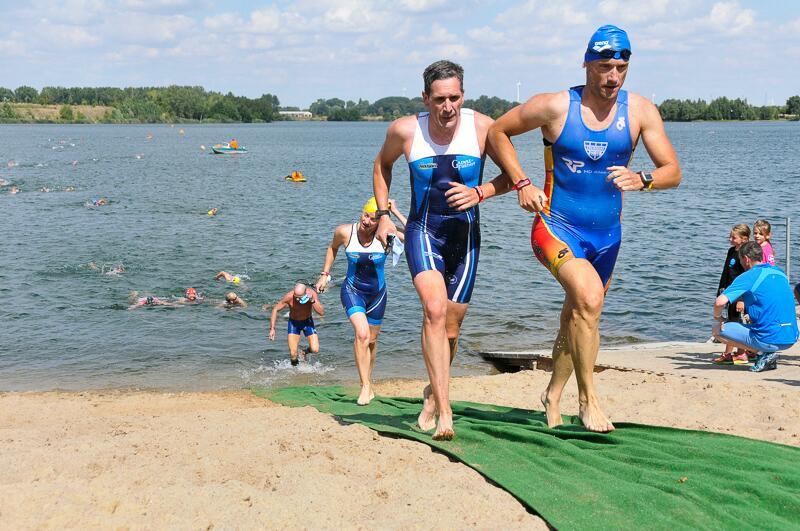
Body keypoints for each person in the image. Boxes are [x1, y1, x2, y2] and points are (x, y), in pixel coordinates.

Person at [488, 25, 682, 432]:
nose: (613, 77)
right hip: (556, 226)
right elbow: (497, 131)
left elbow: (672, 172)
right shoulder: (556, 106)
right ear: (587, 64)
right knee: (589, 299)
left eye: (621, 68)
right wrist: (521, 183)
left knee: (578, 315)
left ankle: (552, 395)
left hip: (607, 237)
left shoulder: (640, 111)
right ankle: (589, 400)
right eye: (605, 67)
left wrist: (643, 179)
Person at [373, 60, 513, 440]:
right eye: (439, 99)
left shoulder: (483, 128)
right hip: (423, 231)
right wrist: (384, 216)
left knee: (451, 330)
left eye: (454, 98)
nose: (447, 107)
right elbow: (381, 166)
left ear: (462, 96)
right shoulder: (405, 130)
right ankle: (445, 413)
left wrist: (481, 192)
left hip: (465, 239)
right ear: (426, 98)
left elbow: (513, 175)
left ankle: (433, 394)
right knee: (434, 310)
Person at [314, 197, 404, 405]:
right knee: (362, 334)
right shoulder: (345, 232)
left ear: (380, 221)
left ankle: (368, 383)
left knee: (371, 341)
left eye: (372, 219)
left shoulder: (386, 234)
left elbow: (414, 234)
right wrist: (324, 274)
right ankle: (364, 386)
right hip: (352, 291)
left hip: (378, 295)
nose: (366, 221)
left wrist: (395, 212)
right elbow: (332, 248)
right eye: (365, 215)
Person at [712, 242, 799, 372]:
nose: (740, 263)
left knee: (717, 329)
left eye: (740, 259)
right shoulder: (780, 272)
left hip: (768, 338)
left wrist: (718, 318)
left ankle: (763, 353)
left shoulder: (749, 276)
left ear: (746, 259)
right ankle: (766, 353)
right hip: (790, 337)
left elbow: (719, 302)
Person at [714, 224, 751, 364]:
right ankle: (733, 353)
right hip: (729, 292)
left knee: (736, 322)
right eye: (730, 236)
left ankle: (737, 353)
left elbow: (746, 278)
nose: (730, 239)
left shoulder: (745, 255)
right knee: (731, 320)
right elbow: (726, 272)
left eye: (733, 237)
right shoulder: (731, 251)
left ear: (744, 239)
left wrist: (741, 299)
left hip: (739, 294)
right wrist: (721, 290)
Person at [269, 283, 325, 366]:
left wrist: (312, 300)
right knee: (293, 354)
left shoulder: (311, 294)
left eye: (300, 298)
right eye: (296, 297)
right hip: (294, 324)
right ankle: (295, 371)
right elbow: (275, 309)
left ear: (305, 293)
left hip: (307, 322)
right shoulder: (289, 297)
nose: (298, 300)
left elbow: (321, 312)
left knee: (315, 349)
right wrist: (272, 329)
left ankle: (304, 352)